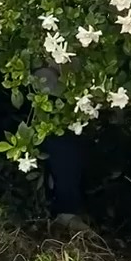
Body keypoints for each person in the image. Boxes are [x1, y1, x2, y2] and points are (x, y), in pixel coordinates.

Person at [33, 66, 89, 233]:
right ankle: (64, 212)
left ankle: (66, 211)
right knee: (62, 147)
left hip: (78, 91)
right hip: (52, 89)